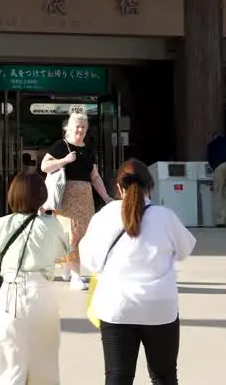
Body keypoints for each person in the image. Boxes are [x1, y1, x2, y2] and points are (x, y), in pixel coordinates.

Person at [80, 160, 195, 385]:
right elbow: (184, 250)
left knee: (117, 377)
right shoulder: (165, 216)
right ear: (150, 186)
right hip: (160, 307)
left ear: (119, 187)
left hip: (117, 306)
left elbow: (90, 261)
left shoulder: (104, 216)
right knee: (164, 377)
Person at [0, 173, 70, 385]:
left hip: (10, 295)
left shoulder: (0, 224)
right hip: (42, 295)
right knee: (45, 368)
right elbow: (63, 253)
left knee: (10, 369)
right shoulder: (51, 225)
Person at [41, 112, 114, 290]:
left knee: (83, 235)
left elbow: (94, 176)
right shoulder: (61, 146)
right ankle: (75, 275)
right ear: (69, 127)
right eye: (77, 126)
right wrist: (64, 160)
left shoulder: (88, 150)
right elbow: (44, 166)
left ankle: (68, 265)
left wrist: (106, 197)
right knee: (72, 235)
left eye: (83, 127)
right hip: (66, 197)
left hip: (85, 198)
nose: (80, 130)